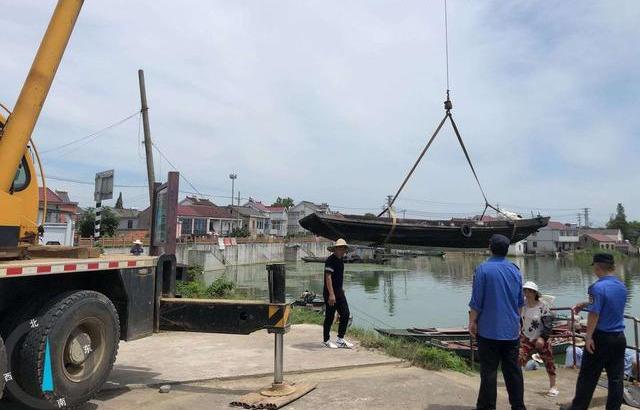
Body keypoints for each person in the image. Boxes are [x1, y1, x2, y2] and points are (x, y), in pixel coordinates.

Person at [563, 253, 628, 410]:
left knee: (588, 377)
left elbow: (595, 314)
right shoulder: (622, 285)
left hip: (601, 338)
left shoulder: (596, 287)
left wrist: (589, 336)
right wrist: (586, 304)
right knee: (616, 378)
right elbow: (609, 304)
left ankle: (578, 407)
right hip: (619, 337)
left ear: (598, 267)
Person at [469, 234, 526, 410]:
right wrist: (517, 323)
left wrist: (472, 322)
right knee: (513, 372)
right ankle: (518, 406)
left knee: (489, 372)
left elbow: (476, 301)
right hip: (511, 331)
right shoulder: (515, 270)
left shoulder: (483, 269)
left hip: (488, 330)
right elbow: (520, 302)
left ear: (490, 247)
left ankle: (487, 406)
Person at [519, 281, 558, 397]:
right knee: (518, 358)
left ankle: (553, 386)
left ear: (535, 293)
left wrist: (542, 338)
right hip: (526, 337)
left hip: (541, 337)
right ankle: (518, 384)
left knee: (548, 361)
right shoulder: (522, 305)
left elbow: (548, 324)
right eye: (525, 290)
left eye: (530, 291)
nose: (527, 293)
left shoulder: (542, 306)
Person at [322, 238, 354, 349]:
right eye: (340, 248)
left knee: (345, 314)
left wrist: (341, 289)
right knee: (330, 317)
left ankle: (340, 339)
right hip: (330, 293)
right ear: (335, 249)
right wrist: (331, 294)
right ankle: (326, 340)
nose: (342, 250)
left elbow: (338, 277)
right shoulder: (330, 260)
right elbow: (328, 277)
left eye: (344, 248)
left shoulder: (341, 260)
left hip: (339, 292)